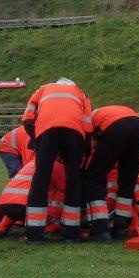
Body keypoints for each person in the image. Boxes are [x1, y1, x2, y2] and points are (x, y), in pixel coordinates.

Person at [21, 77, 92, 244]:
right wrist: (81, 151)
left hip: (46, 129)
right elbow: (88, 126)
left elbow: (27, 120)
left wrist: (39, 141)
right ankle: (71, 234)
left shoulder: (42, 89)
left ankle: (34, 235)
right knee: (73, 180)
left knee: (40, 179)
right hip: (74, 132)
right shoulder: (81, 93)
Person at [84, 105, 139, 242]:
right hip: (138, 124)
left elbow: (89, 146)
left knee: (94, 178)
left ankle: (99, 229)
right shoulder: (103, 113)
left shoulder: (88, 119)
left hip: (116, 126)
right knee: (128, 177)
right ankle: (121, 225)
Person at [0, 158, 66, 238]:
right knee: (60, 200)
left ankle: (0, 229)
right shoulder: (56, 165)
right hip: (28, 207)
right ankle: (47, 230)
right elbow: (64, 187)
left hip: (5, 204)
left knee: (17, 206)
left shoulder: (32, 162)